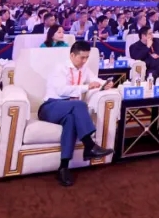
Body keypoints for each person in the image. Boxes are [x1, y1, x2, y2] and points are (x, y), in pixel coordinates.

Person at [37, 41, 114, 186]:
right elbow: (61, 91)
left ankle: (63, 167)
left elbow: (94, 79)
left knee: (71, 120)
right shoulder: (60, 68)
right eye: (82, 57)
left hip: (69, 109)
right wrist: (86, 87)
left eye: (87, 58)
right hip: (50, 106)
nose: (84, 61)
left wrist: (105, 84)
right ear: (72, 55)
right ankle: (89, 145)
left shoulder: (83, 69)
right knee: (79, 105)